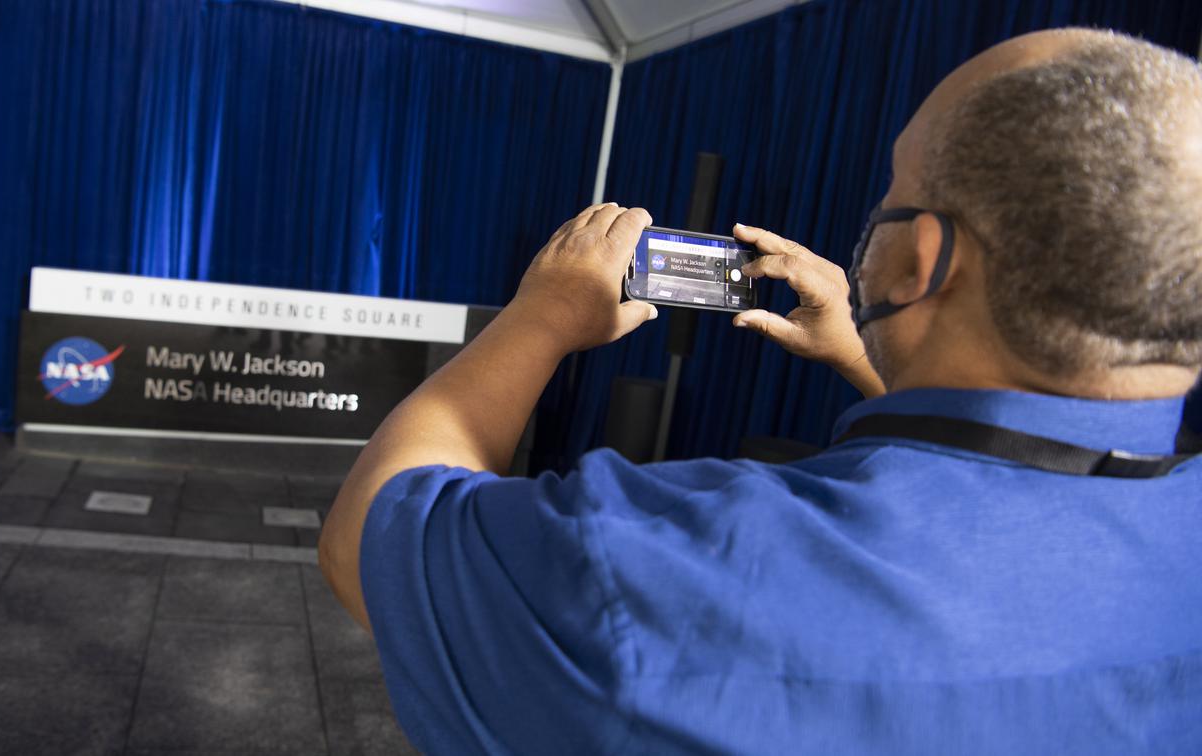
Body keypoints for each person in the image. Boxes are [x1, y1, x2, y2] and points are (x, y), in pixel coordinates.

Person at [319, 28, 1202, 754]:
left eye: (894, 197)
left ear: (913, 260)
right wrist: (873, 353)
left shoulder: (669, 569)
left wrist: (542, 315)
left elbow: (373, 534)